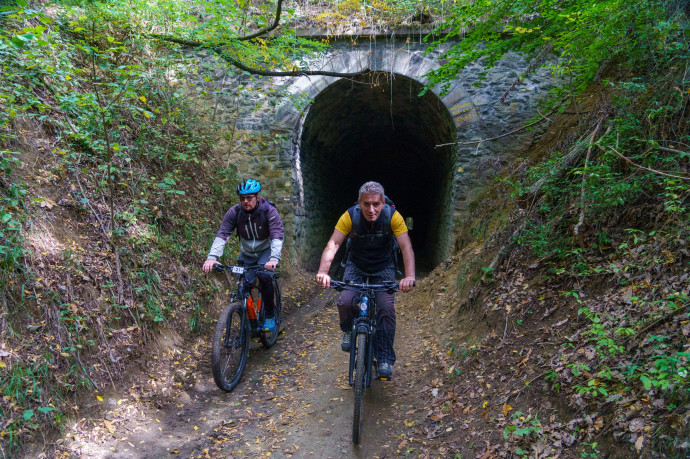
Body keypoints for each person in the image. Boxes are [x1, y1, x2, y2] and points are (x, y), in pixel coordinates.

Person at [316, 181, 415, 380]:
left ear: (383, 202)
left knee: (385, 309)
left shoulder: (393, 216)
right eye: (366, 204)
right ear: (359, 203)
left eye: (376, 204)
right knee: (345, 301)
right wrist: (323, 271)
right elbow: (334, 243)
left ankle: (385, 358)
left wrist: (410, 276)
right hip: (356, 264)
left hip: (383, 266)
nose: (371, 209)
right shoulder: (349, 216)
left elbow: (405, 247)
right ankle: (347, 330)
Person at [202, 179, 284, 331]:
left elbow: (277, 235)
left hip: (266, 250)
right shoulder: (235, 212)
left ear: (257, 197)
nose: (246, 201)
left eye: (249, 198)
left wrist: (273, 258)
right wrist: (212, 257)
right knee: (243, 285)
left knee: (265, 276)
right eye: (242, 198)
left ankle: (270, 315)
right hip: (247, 253)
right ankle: (250, 321)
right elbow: (223, 234)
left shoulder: (268, 211)